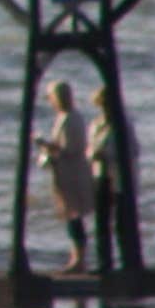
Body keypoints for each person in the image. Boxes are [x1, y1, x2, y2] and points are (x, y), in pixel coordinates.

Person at [41, 80, 98, 272]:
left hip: (72, 172)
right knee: (71, 215)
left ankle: (79, 259)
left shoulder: (71, 118)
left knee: (74, 215)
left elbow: (70, 148)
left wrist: (46, 145)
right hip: (67, 171)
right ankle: (76, 257)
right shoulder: (67, 117)